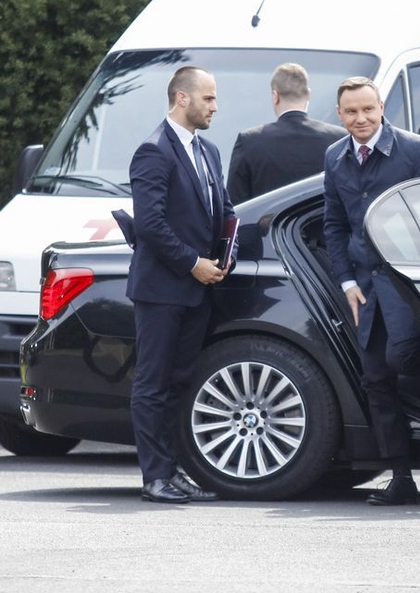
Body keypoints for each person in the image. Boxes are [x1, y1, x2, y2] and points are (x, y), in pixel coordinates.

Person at [322, 77, 420, 506]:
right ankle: (401, 476)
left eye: (368, 110)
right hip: (366, 291)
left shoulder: (416, 150)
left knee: (405, 360)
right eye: (351, 112)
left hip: (412, 288)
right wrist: (347, 282)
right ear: (339, 115)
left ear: (381, 109)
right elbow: (334, 225)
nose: (360, 119)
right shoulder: (335, 157)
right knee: (376, 379)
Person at [127, 66, 236, 503]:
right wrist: (193, 264)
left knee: (179, 384)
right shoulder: (153, 151)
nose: (215, 106)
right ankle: (155, 477)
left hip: (199, 289)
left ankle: (173, 473)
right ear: (182, 99)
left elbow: (224, 210)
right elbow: (149, 223)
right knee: (152, 385)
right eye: (208, 98)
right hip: (161, 290)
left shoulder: (208, 150)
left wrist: (227, 253)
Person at [227, 63, 346, 203]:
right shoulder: (339, 138)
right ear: (308, 94)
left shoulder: (249, 141)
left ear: (275, 96)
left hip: (266, 224)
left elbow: (234, 205)